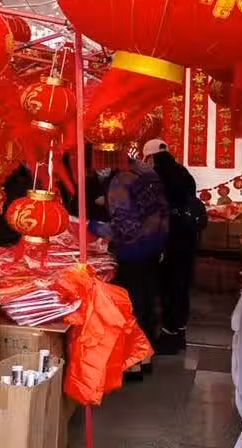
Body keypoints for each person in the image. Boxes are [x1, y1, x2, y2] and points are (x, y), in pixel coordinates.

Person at [88, 150, 169, 380]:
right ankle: (146, 356)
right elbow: (159, 210)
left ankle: (134, 363)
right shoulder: (146, 171)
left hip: (133, 250)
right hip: (154, 245)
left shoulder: (120, 181)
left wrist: (90, 226)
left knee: (131, 304)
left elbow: (125, 228)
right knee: (148, 299)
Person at [143, 139, 207, 355]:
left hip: (169, 239)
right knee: (181, 286)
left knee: (168, 287)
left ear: (151, 157)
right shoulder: (184, 173)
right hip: (188, 239)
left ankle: (169, 335)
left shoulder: (156, 176)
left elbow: (154, 210)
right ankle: (179, 332)